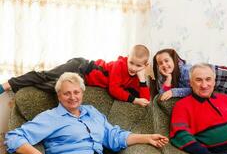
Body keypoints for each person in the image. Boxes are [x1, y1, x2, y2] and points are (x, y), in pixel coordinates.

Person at [5, 72, 169, 154]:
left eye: (76, 92)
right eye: (66, 93)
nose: (72, 97)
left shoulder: (92, 113)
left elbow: (114, 136)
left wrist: (147, 137)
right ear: (59, 96)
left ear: (82, 93)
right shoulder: (52, 117)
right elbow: (13, 137)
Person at [0, 44, 150, 107]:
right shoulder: (120, 65)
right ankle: (6, 85)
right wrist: (134, 100)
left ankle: (22, 86)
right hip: (81, 67)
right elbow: (114, 89)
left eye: (138, 66)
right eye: (131, 62)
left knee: (54, 88)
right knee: (45, 76)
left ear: (145, 65)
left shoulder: (137, 77)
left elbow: (146, 101)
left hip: (81, 79)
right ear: (127, 58)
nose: (133, 67)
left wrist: (142, 80)